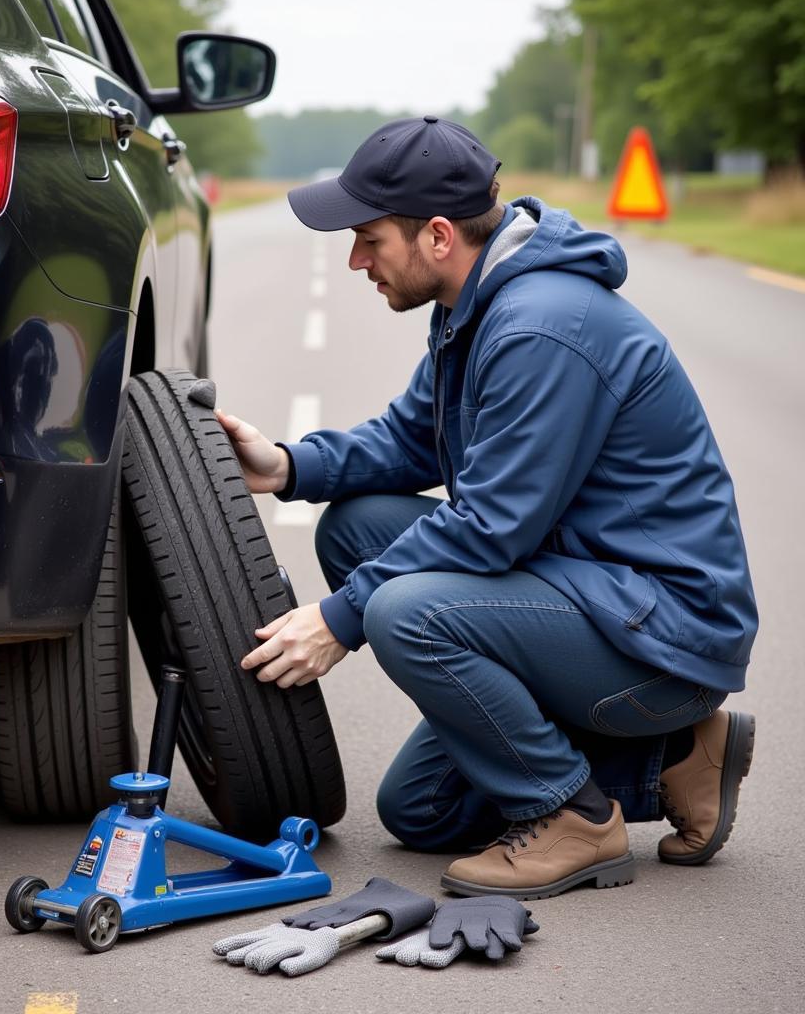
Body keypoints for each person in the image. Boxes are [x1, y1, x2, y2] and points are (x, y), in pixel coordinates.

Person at [214, 116, 758, 899]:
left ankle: (575, 816)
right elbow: (411, 440)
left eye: (369, 237)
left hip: (661, 634)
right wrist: (290, 464)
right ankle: (671, 758)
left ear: (437, 235)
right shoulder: (475, 304)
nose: (355, 259)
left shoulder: (543, 326)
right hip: (591, 592)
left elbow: (492, 527)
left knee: (400, 610)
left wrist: (338, 619)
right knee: (421, 809)